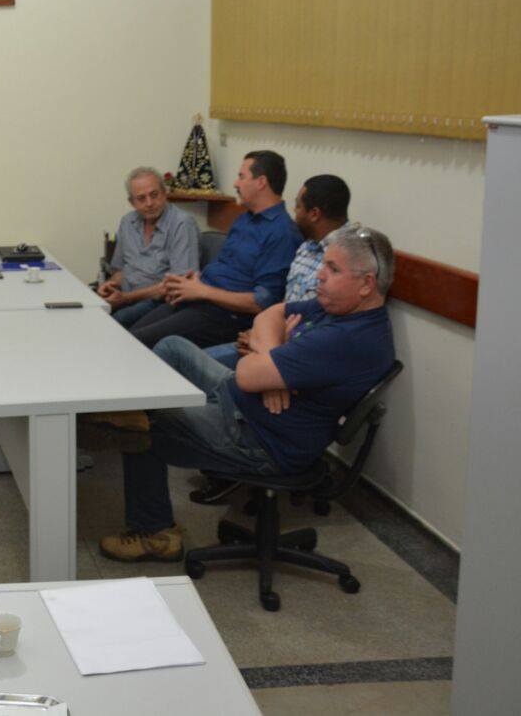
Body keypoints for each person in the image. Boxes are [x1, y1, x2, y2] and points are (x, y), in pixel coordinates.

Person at [99, 226, 396, 562]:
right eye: (324, 265)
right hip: (250, 406)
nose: (320, 275)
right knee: (173, 347)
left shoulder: (346, 340)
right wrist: (273, 359)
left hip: (261, 439)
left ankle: (154, 534)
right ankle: (115, 417)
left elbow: (246, 374)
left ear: (366, 284)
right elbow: (272, 313)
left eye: (333, 269)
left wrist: (265, 364)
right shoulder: (342, 308)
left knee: (142, 425)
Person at [190, 174, 354, 506]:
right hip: (270, 341)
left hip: (295, 361)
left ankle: (232, 462)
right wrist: (259, 337)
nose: (293, 211)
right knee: (194, 363)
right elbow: (281, 307)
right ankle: (225, 460)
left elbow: (320, 329)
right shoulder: (306, 246)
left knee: (211, 379)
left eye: (298, 206)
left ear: (315, 213)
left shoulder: (344, 261)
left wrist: (266, 353)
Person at [129, 151, 302, 349]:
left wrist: (203, 291)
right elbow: (223, 269)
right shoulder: (244, 219)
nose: (236, 183)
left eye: (241, 176)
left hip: (226, 316)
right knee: (128, 335)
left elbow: (262, 302)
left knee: (136, 345)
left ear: (261, 182)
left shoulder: (282, 232)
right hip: (199, 300)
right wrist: (189, 284)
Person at [98, 166, 201, 327]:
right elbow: (120, 271)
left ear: (164, 193)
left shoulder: (182, 223)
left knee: (108, 324)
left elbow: (179, 285)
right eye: (141, 198)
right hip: (125, 297)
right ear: (132, 202)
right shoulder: (127, 222)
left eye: (154, 195)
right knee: (88, 310)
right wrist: (109, 285)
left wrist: (126, 298)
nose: (150, 203)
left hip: (157, 302)